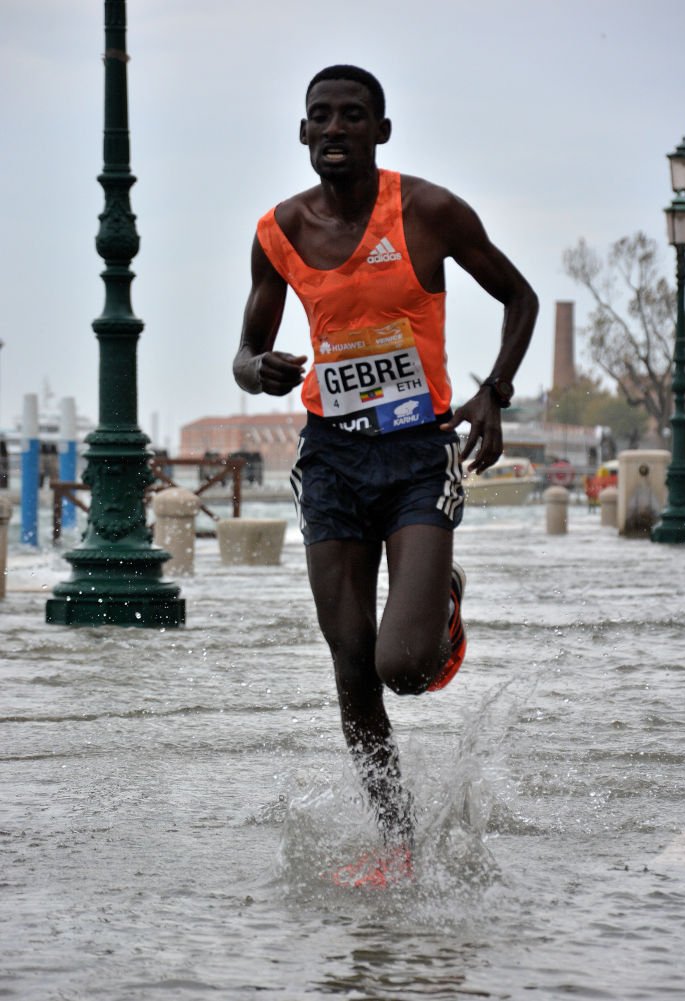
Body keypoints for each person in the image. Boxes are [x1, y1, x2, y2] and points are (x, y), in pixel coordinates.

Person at [233, 65, 538, 855]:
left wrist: (492, 393)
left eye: (353, 116)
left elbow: (520, 297)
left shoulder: (428, 212)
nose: (335, 128)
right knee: (352, 672)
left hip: (414, 454)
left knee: (402, 665)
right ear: (302, 133)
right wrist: (254, 369)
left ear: (380, 131)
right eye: (320, 117)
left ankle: (440, 598)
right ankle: (397, 841)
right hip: (330, 460)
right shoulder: (278, 232)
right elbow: (246, 349)